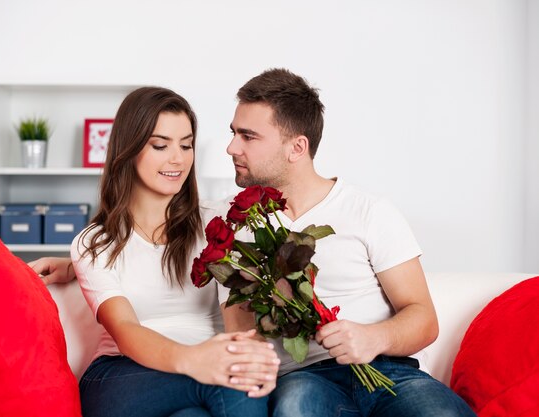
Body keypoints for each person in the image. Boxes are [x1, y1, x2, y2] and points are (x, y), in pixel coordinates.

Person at [219, 68, 476, 416]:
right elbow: (243, 336)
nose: (231, 147)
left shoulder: (368, 211)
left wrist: (374, 338)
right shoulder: (241, 230)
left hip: (392, 372)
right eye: (234, 133)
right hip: (305, 378)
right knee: (295, 407)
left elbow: (423, 318)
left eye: (248, 136)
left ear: (297, 147)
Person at [31, 86, 279, 417]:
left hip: (209, 365)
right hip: (123, 376)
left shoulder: (219, 223)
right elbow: (125, 329)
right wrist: (195, 361)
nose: (177, 158)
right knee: (230, 378)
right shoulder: (95, 242)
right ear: (129, 150)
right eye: (160, 145)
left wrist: (217, 358)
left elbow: (239, 314)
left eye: (186, 145)